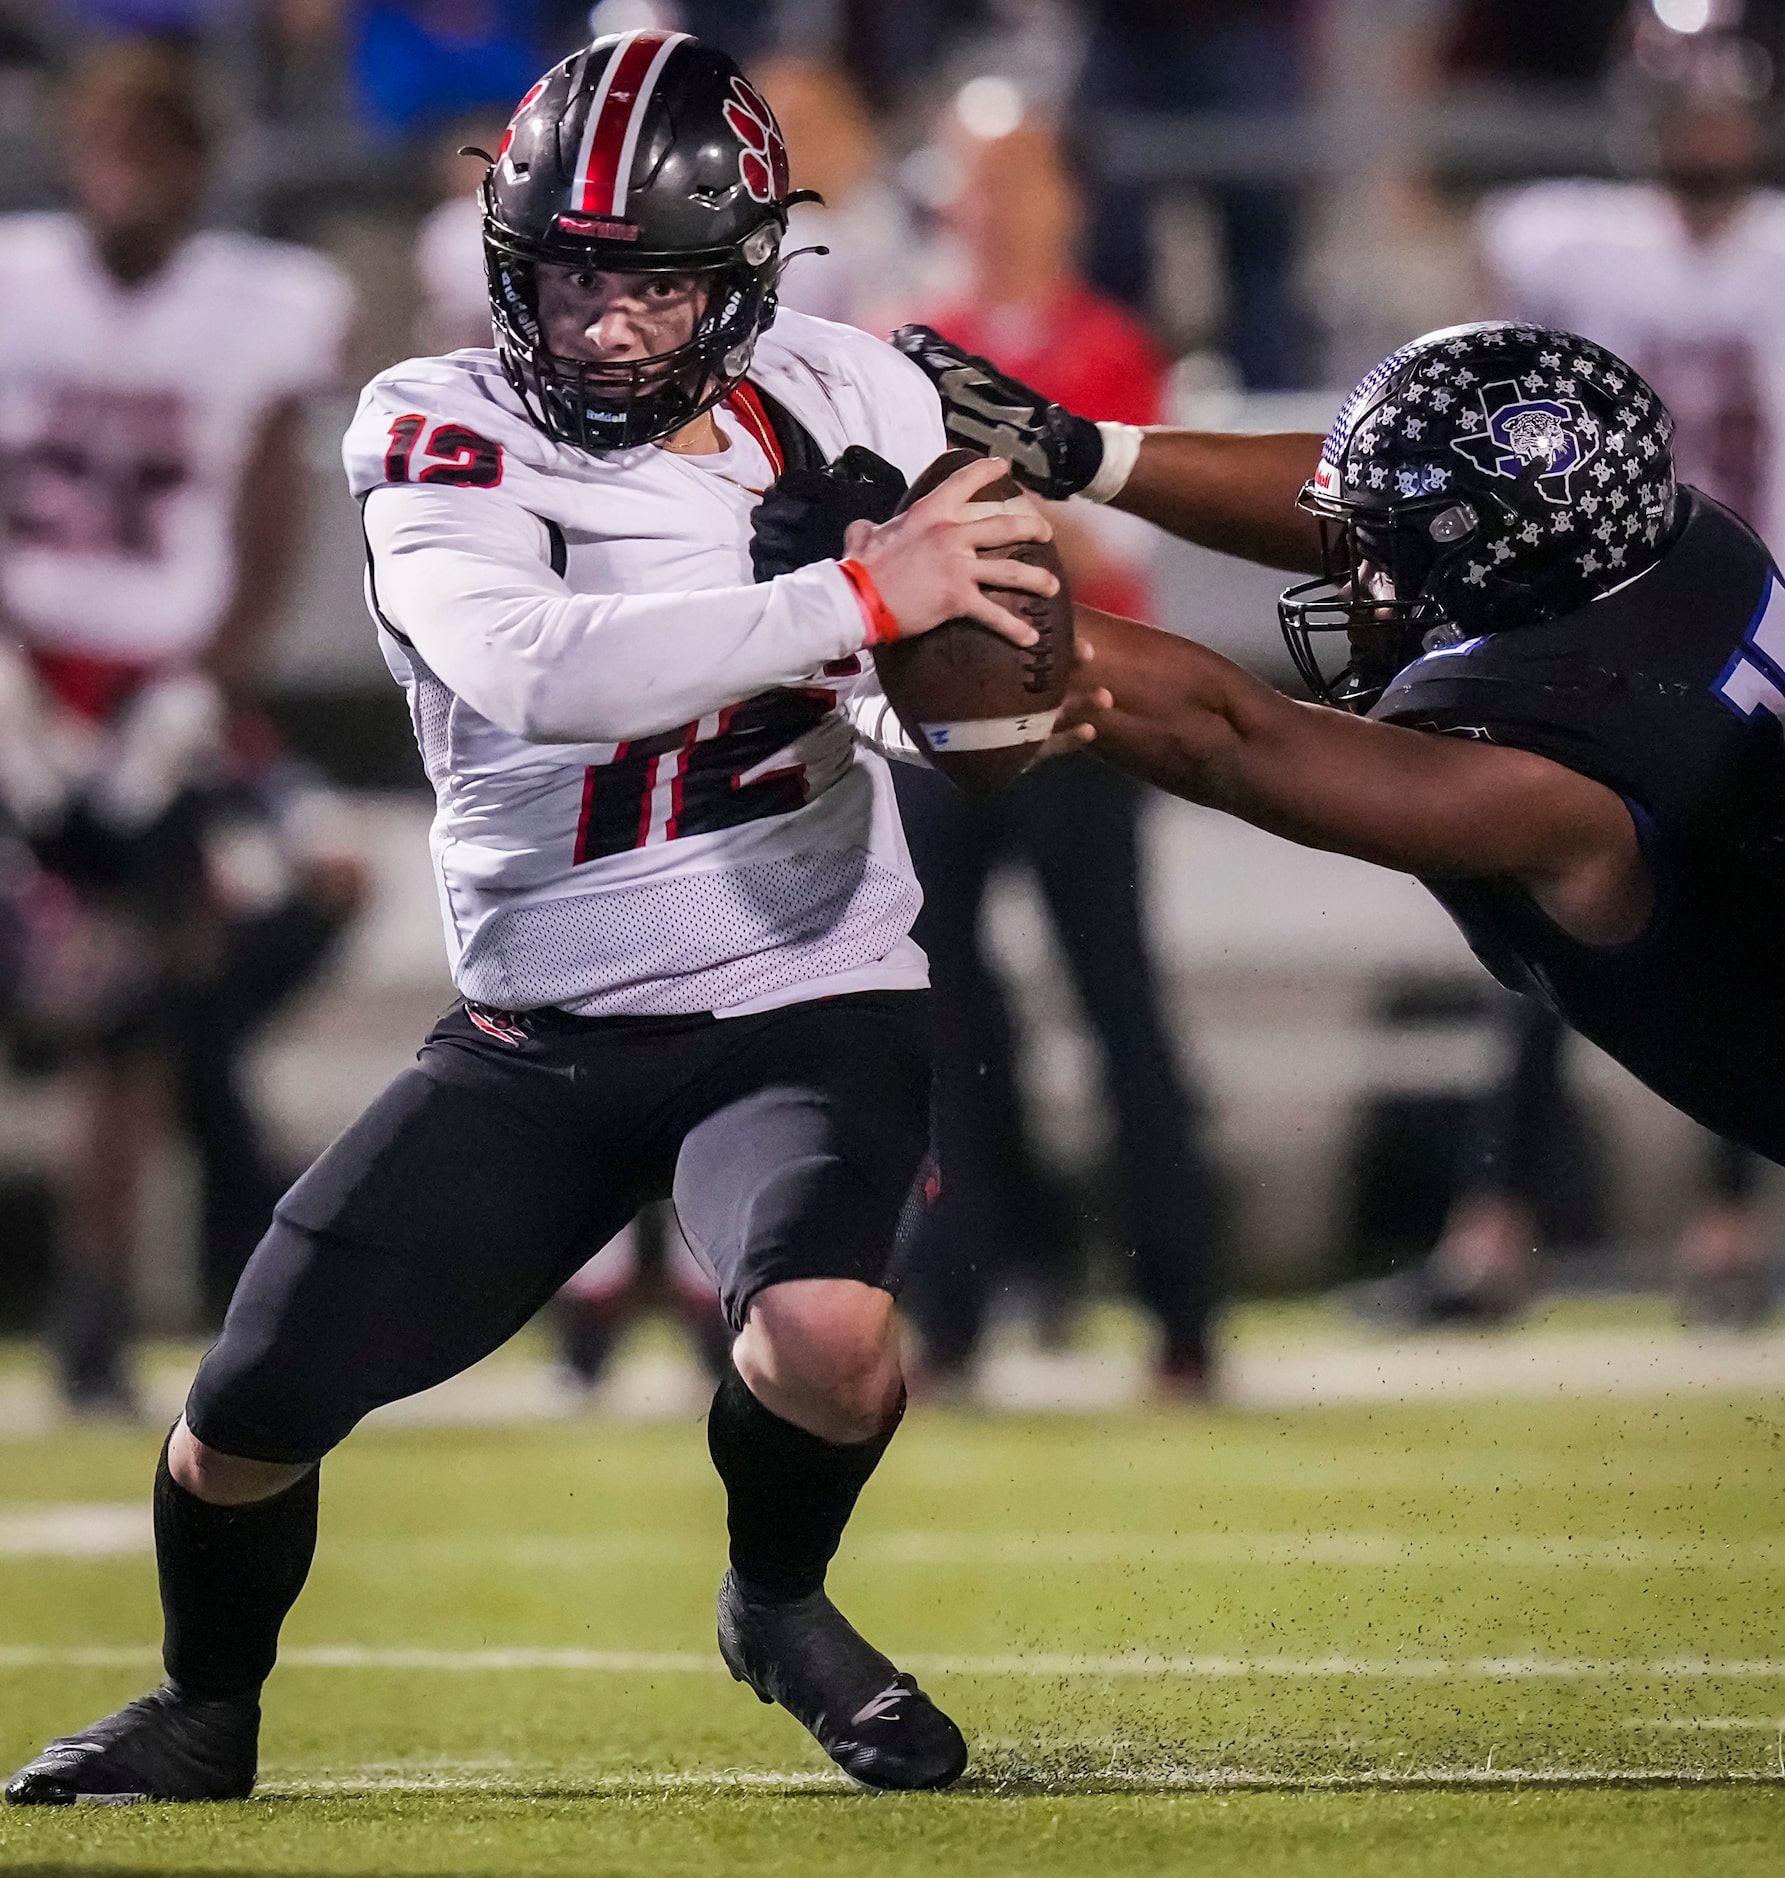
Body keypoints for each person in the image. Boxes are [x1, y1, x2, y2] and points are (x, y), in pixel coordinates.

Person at [4, 30, 1057, 1806]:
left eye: (649, 286)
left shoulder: (860, 394)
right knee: (239, 1420)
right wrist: (849, 588)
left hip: (803, 980)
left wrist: (931, 677)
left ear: (736, 279)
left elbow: (945, 693)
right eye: (568, 278)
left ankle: (777, 1597)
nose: (605, 326)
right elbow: (531, 670)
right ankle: (205, 1703)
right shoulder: (430, 420)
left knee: (827, 1334)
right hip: (540, 1023)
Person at [892, 318, 1785, 1185]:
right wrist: (1077, 452)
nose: (1356, 571)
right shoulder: (1662, 546)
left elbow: (1228, 736)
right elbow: (1390, 514)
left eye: (1383, 549)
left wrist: (906, 582)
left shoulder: (1554, 785)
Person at [1395, 41, 1785, 1326]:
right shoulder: (1567, 236)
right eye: (1687, 101)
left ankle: (1729, 1232)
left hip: (1753, 616)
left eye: (1723, 101)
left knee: (1739, 918)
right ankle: (1498, 1228)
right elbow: (1468, 375)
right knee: (1548, 921)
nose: (1706, 127)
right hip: (1608, 621)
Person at [0, 41, 362, 1411]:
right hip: (27, 669)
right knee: (105, 1008)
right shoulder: (21, 283)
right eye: (108, 150)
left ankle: (93, 1309)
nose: (124, 183)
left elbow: (268, 520)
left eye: (153, 154)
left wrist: (200, 688)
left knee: (135, 1018)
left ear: (200, 174)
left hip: (159, 690)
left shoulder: (253, 308)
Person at [894, 121, 1225, 1397]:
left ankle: (1179, 1306)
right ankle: (961, 1302)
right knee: (941, 1019)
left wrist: (984, 487)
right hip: (937, 711)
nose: (986, 206)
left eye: (1012, 179)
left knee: (1118, 1004)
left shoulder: (1102, 342)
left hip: (1076, 702)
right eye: (972, 182)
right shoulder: (906, 332)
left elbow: (1102, 543)